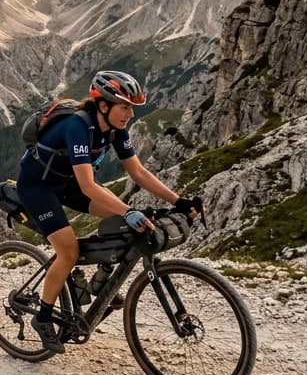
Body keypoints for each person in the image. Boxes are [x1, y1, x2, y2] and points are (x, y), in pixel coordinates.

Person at [16, 70, 202, 353]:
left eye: (132, 108)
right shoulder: (77, 127)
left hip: (69, 184)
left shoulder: (115, 128)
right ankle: (42, 318)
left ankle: (100, 285)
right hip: (38, 187)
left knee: (123, 225)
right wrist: (128, 210)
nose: (131, 114)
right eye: (125, 107)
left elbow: (138, 172)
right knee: (69, 251)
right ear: (103, 105)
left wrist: (179, 201)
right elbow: (89, 186)